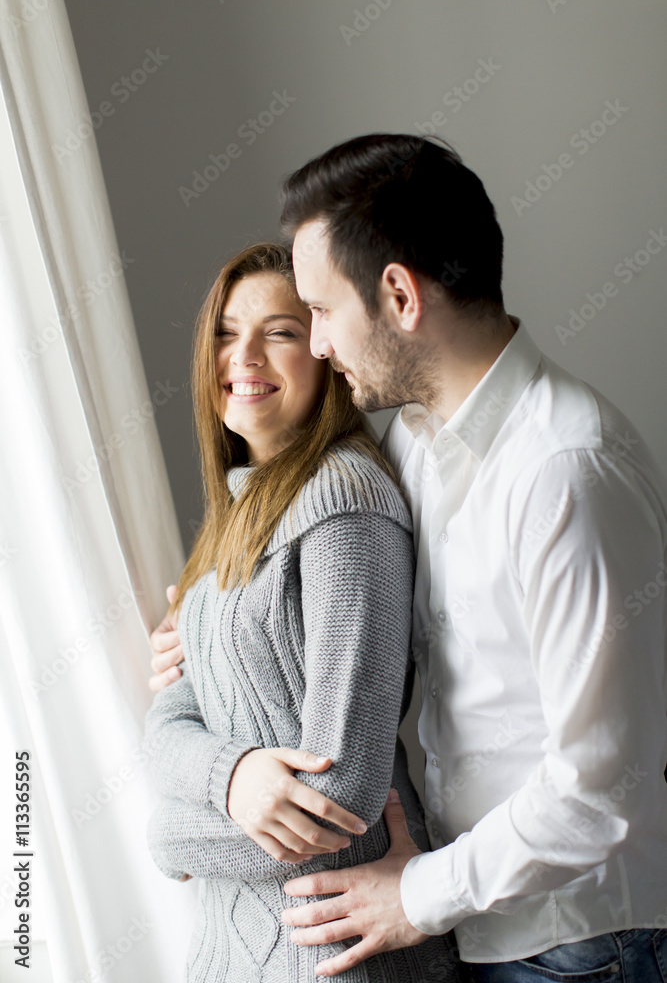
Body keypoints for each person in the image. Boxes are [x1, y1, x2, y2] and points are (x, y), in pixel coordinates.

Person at [150, 134, 667, 982]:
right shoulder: (418, 441)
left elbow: (599, 787)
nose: (314, 344)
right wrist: (202, 622)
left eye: (317, 311)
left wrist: (415, 896)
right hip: (485, 929)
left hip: (577, 943)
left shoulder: (565, 471)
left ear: (398, 295)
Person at [143, 241, 461, 982]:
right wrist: (234, 774)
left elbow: (336, 801)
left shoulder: (343, 501)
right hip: (231, 952)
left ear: (324, 354)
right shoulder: (239, 510)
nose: (243, 354)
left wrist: (167, 838)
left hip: (339, 957)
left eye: (279, 332)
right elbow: (166, 720)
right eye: (226, 331)